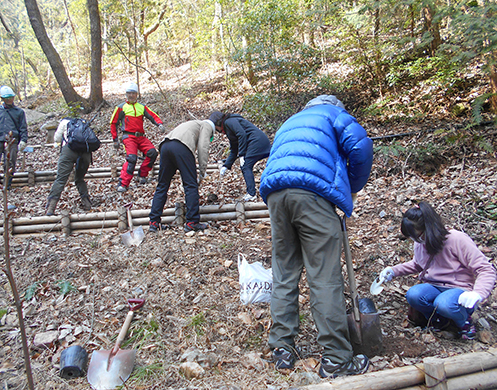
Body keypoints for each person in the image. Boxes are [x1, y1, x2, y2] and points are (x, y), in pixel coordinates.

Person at [259, 95, 373, 378]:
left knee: (284, 272)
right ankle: (336, 358)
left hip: (276, 195)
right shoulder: (334, 115)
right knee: (324, 276)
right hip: (311, 194)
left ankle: (281, 349)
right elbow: (360, 146)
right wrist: (352, 189)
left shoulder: (290, 122)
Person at [379, 201, 496, 340]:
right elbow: (418, 264)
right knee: (413, 294)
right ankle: (439, 321)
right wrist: (393, 271)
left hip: (459, 289)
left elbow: (485, 268)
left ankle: (465, 322)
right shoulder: (420, 242)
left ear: (429, 228)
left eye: (417, 236)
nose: (416, 240)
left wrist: (478, 293)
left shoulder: (456, 239)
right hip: (434, 286)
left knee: (443, 303)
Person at [148, 119, 215, 233]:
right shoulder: (207, 125)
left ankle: (154, 222)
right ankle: (192, 222)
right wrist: (202, 171)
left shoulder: (192, 123)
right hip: (181, 147)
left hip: (165, 146)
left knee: (162, 185)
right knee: (190, 185)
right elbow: (203, 147)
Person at [110, 82, 164, 192]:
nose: (131, 95)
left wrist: (159, 124)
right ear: (126, 94)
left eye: (133, 93)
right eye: (129, 93)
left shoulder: (141, 107)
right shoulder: (121, 108)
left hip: (140, 137)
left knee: (152, 153)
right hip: (128, 137)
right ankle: (123, 183)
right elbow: (113, 123)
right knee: (131, 158)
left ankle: (142, 175)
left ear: (136, 94)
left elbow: (152, 116)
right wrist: (115, 139)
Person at [209, 111, 271, 201]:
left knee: (245, 166)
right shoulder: (228, 128)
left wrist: (242, 155)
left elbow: (241, 134)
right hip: (258, 142)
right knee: (246, 166)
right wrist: (226, 165)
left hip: (257, 142)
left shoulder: (229, 122)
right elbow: (234, 149)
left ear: (218, 124)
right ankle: (251, 192)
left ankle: (251, 194)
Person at [45, 118, 94, 216]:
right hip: (85, 153)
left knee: (61, 179)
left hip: (69, 150)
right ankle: (87, 204)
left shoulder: (63, 122)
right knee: (79, 178)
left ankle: (51, 208)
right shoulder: (83, 123)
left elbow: (57, 139)